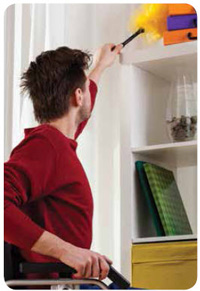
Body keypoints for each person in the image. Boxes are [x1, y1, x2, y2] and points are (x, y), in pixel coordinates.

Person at [4, 43, 123, 282]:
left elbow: (78, 117)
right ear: (78, 96)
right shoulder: (47, 146)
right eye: (84, 90)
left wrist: (100, 66)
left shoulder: (58, 143)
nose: (88, 92)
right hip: (63, 285)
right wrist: (67, 251)